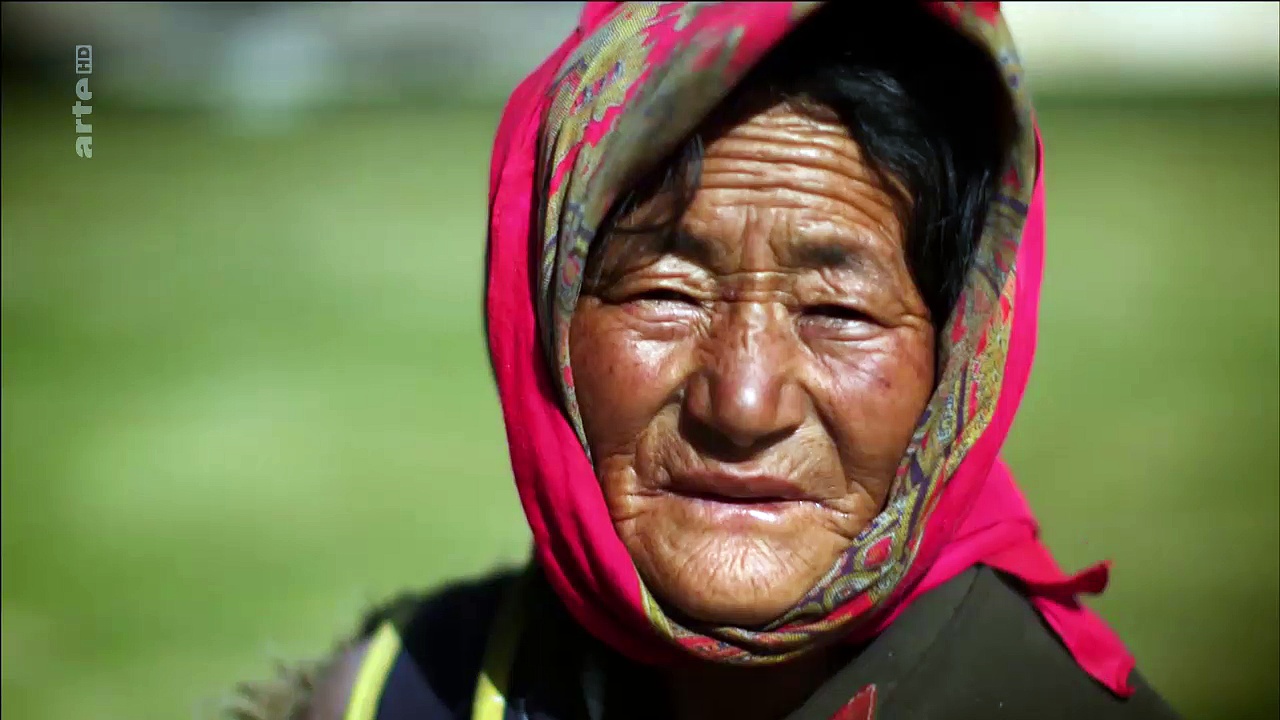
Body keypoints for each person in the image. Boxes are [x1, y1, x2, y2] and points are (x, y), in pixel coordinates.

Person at [228, 3, 1183, 719]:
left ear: (957, 360)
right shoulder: (402, 692)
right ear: (548, 325)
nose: (743, 400)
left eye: (838, 309)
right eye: (664, 293)